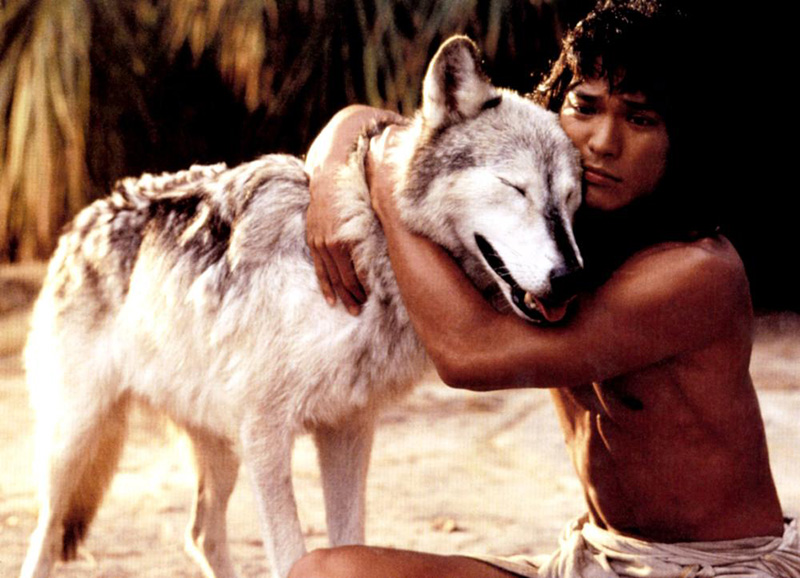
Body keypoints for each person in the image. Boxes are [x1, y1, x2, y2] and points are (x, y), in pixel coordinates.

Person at [295, 2, 800, 577]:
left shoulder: (696, 271)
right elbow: (387, 124)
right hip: (594, 558)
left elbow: (469, 355)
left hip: (719, 569)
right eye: (584, 107)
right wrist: (332, 162)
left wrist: (385, 176)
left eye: (640, 119)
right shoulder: (545, 236)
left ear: (679, 138)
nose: (602, 142)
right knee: (324, 572)